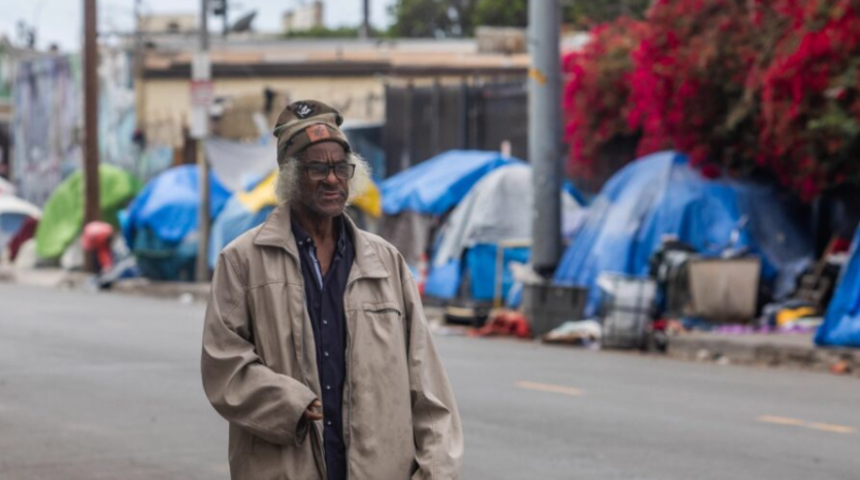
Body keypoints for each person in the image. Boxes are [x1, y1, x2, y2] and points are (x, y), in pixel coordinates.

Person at [201, 100, 463, 480]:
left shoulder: (386, 263)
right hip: (285, 468)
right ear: (291, 175)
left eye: (340, 167)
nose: (332, 179)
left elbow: (429, 389)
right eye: (317, 168)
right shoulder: (242, 261)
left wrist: (436, 472)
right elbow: (224, 368)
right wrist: (289, 403)